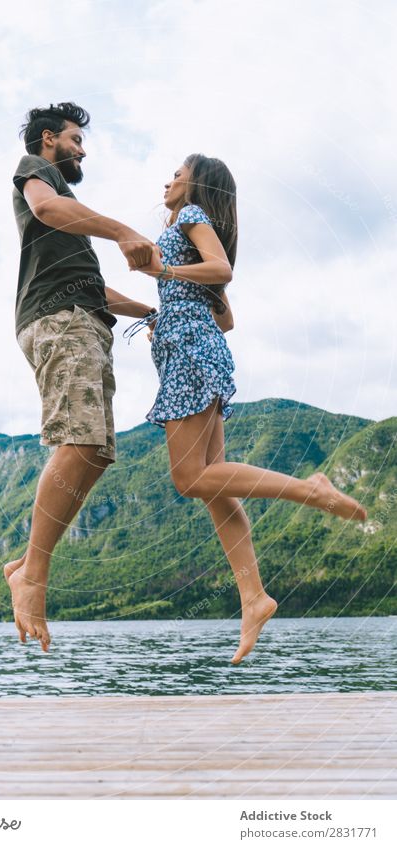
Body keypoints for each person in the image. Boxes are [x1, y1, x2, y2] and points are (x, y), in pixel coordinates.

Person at [132, 153, 367, 663]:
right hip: (193, 347)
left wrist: (165, 271)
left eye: (178, 173)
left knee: (190, 479)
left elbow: (223, 271)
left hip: (190, 356)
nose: (168, 180)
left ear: (198, 185)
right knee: (214, 485)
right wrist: (167, 313)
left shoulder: (192, 218)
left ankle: (311, 490)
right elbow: (227, 318)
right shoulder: (187, 229)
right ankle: (253, 596)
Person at [5, 102, 160, 651]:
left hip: (85, 320)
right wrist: (121, 230)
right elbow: (44, 209)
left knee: (96, 449)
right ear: (49, 139)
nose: (82, 149)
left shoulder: (72, 221)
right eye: (75, 139)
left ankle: (26, 563)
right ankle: (32, 576)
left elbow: (96, 290)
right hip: (59, 322)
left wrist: (149, 312)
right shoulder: (36, 171)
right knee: (81, 439)